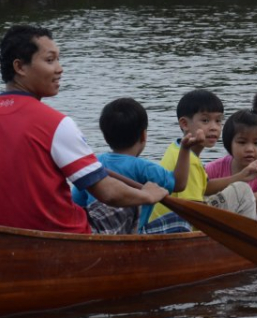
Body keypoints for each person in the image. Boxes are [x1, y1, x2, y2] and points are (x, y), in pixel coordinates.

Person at [0, 24, 167, 234]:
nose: (60, 69)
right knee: (129, 205)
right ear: (20, 67)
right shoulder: (56, 124)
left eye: (58, 60)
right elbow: (108, 193)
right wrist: (146, 195)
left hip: (2, 239)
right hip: (66, 239)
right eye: (50, 60)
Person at [71, 97, 203, 234]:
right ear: (143, 136)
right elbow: (179, 184)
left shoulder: (95, 165)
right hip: (134, 237)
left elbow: (76, 202)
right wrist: (185, 149)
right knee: (181, 220)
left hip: (101, 234)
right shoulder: (144, 168)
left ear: (105, 137)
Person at [145, 89, 257, 233]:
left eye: (218, 121)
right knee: (242, 191)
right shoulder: (189, 161)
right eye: (205, 120)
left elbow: (204, 187)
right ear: (185, 124)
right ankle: (249, 244)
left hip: (171, 220)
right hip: (180, 227)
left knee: (232, 188)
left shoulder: (176, 148)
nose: (214, 127)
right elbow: (194, 210)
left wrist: (240, 176)